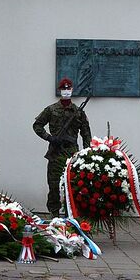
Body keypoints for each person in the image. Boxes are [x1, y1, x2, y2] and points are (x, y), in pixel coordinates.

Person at [33, 78, 92, 218]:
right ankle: (54, 215)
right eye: (64, 89)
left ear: (71, 90)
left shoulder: (78, 112)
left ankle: (70, 216)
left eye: (68, 89)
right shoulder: (51, 110)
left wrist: (86, 154)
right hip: (56, 152)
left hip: (72, 154)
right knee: (54, 186)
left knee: (72, 186)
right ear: (60, 91)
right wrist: (49, 137)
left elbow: (86, 134)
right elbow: (37, 125)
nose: (66, 91)